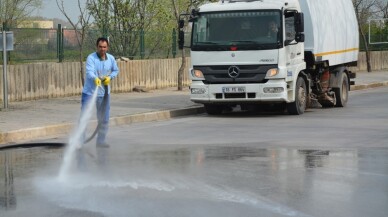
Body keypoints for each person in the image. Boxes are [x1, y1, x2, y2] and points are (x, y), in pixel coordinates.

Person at [82, 37, 119, 147]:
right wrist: (95, 78)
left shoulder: (111, 58)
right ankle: (80, 142)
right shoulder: (91, 58)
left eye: (104, 47)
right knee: (84, 118)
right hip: (90, 93)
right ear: (97, 47)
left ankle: (101, 141)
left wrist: (110, 77)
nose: (102, 49)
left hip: (104, 94)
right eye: (100, 47)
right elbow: (89, 72)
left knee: (104, 118)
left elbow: (116, 70)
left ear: (107, 47)